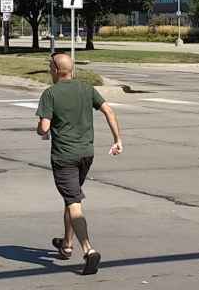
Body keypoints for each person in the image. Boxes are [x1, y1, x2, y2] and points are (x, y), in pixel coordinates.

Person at [35, 52, 123, 276]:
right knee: (71, 196)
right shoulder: (86, 89)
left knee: (74, 202)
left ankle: (88, 250)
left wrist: (41, 129)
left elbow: (44, 128)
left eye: (49, 67)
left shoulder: (50, 94)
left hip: (64, 156)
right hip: (86, 154)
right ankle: (66, 245)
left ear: (55, 69)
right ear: (71, 70)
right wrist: (117, 140)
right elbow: (109, 111)